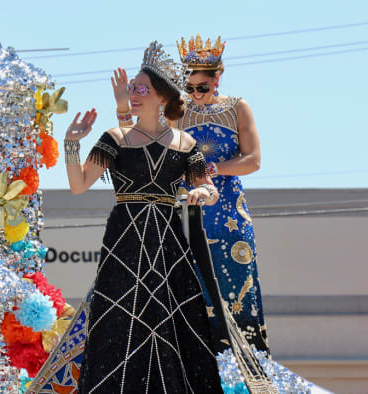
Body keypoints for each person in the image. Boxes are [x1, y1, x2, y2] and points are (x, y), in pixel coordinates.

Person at [66, 41, 223, 393]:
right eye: (132, 89)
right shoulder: (116, 138)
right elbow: (79, 185)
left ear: (162, 97)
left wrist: (202, 193)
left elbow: (209, 188)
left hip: (169, 244)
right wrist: (71, 143)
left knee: (174, 323)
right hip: (125, 242)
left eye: (141, 89)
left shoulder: (185, 144)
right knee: (120, 323)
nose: (133, 94)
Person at [115, 35, 267, 353]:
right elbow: (139, 141)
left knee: (234, 287)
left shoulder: (238, 108)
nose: (195, 95)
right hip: (186, 214)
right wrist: (123, 106)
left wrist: (210, 168)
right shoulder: (177, 113)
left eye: (203, 87)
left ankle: (241, 367)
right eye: (191, 88)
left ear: (217, 79)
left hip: (228, 215)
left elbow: (253, 160)